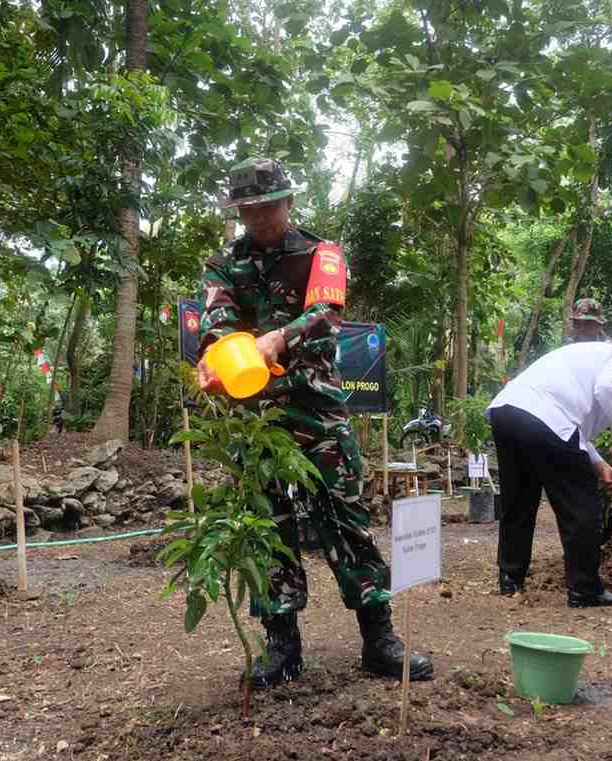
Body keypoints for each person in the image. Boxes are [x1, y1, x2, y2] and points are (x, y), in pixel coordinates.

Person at [197, 157, 432, 688]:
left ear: (288, 202)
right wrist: (217, 357)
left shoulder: (321, 253)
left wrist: (278, 338)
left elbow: (326, 310)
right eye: (248, 209)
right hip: (256, 417)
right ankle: (282, 646)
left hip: (317, 408)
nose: (258, 217)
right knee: (267, 524)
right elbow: (217, 323)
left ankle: (379, 637)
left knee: (344, 516)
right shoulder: (223, 264)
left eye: (267, 206)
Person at [487, 342, 612, 607]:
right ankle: (584, 589)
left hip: (507, 411)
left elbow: (573, 435)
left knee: (518, 501)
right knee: (581, 505)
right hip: (545, 416)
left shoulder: (586, 365)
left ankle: (510, 580)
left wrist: (601, 466)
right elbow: (609, 388)